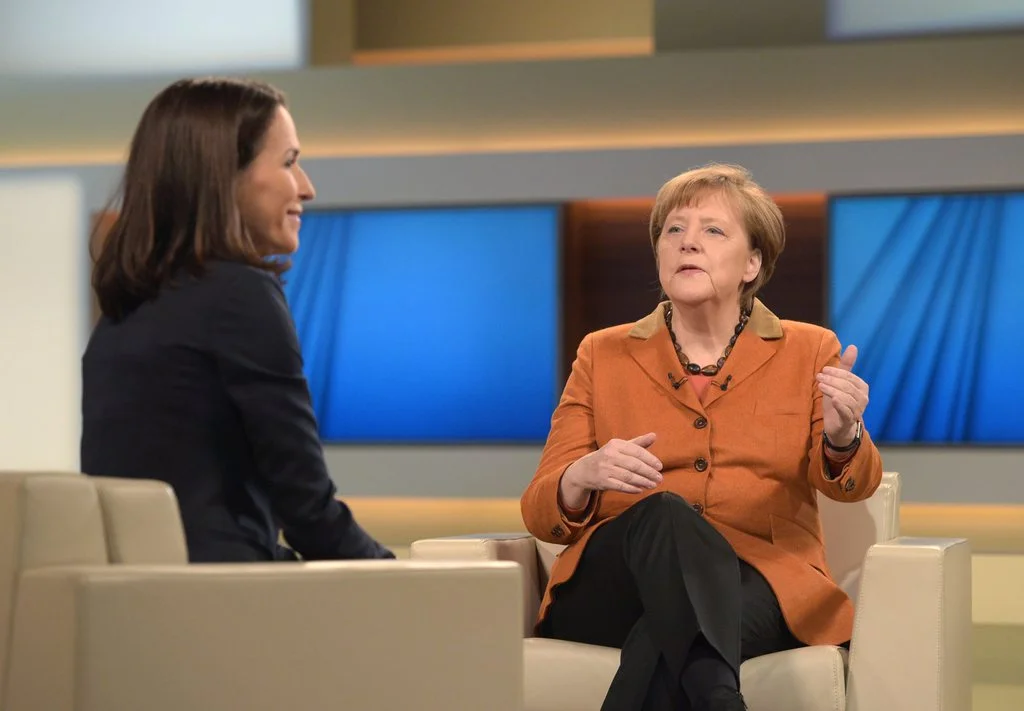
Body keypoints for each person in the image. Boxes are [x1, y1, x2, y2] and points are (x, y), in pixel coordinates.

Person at [521, 164, 883, 710]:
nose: (688, 241)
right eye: (673, 230)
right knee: (664, 513)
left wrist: (842, 435)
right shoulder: (603, 352)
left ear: (752, 262)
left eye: (713, 230)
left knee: (667, 638)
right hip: (615, 582)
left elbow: (851, 487)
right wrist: (581, 475)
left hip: (762, 580)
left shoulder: (808, 350)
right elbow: (538, 509)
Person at [81, 77, 393, 563]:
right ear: (225, 174)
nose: (306, 187)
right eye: (289, 161)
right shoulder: (238, 294)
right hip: (226, 605)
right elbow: (309, 514)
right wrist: (407, 580)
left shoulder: (124, 310)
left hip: (147, 603)